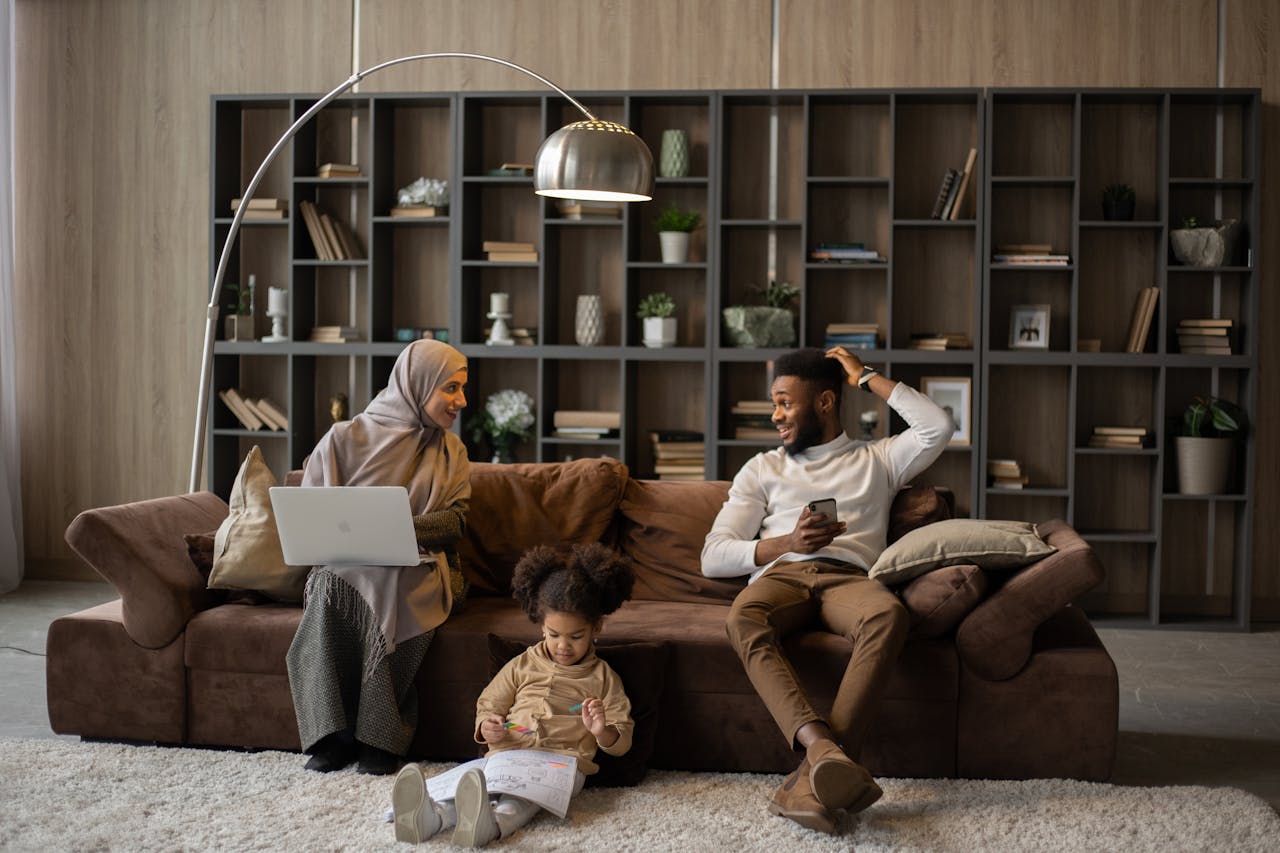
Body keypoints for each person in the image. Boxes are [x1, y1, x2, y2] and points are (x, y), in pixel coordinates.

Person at [701, 346, 954, 834]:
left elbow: (937, 426)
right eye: (773, 404)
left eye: (785, 403)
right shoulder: (762, 468)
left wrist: (866, 377)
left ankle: (807, 783)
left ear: (824, 403)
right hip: (781, 575)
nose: (776, 416)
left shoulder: (878, 458)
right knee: (743, 617)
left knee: (888, 615)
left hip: (848, 579)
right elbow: (713, 555)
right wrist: (786, 542)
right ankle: (823, 752)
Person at [286, 339, 471, 775]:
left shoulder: (451, 452)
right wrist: (369, 533)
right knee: (333, 584)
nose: (461, 400)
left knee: (393, 580)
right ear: (415, 385)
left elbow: (456, 524)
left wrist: (396, 529)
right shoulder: (343, 438)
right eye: (451, 388)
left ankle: (378, 737)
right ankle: (333, 737)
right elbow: (311, 514)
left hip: (420, 564)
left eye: (462, 388)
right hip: (346, 564)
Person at [390, 542, 635, 848]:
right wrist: (486, 725)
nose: (563, 646)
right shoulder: (522, 664)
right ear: (540, 626)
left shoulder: (603, 678)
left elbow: (622, 739)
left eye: (576, 637)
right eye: (553, 634)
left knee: (519, 798)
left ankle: (491, 826)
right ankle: (432, 817)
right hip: (510, 753)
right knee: (477, 784)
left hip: (562, 764)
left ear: (596, 627)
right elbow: (490, 703)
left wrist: (603, 731)